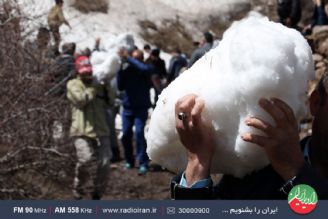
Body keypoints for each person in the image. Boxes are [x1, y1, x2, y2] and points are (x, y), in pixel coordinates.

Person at [171, 73, 328, 199]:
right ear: (316, 102)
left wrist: (295, 170)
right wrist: (198, 160)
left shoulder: (285, 162)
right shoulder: (259, 168)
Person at [67, 56, 112, 200]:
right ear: (78, 72)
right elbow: (81, 100)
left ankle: (97, 192)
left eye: (89, 71)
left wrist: (106, 86)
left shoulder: (99, 84)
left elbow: (110, 102)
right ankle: (78, 187)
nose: (87, 74)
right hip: (81, 130)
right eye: (84, 72)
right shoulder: (73, 84)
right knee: (85, 160)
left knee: (105, 162)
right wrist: (93, 89)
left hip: (100, 129)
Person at [116, 49, 154, 175]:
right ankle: (129, 160)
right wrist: (121, 68)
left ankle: (143, 162)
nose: (134, 61)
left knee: (138, 133)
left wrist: (130, 59)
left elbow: (144, 69)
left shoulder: (146, 69)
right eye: (133, 58)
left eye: (137, 59)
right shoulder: (128, 70)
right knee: (126, 135)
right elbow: (120, 86)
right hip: (127, 108)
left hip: (141, 108)